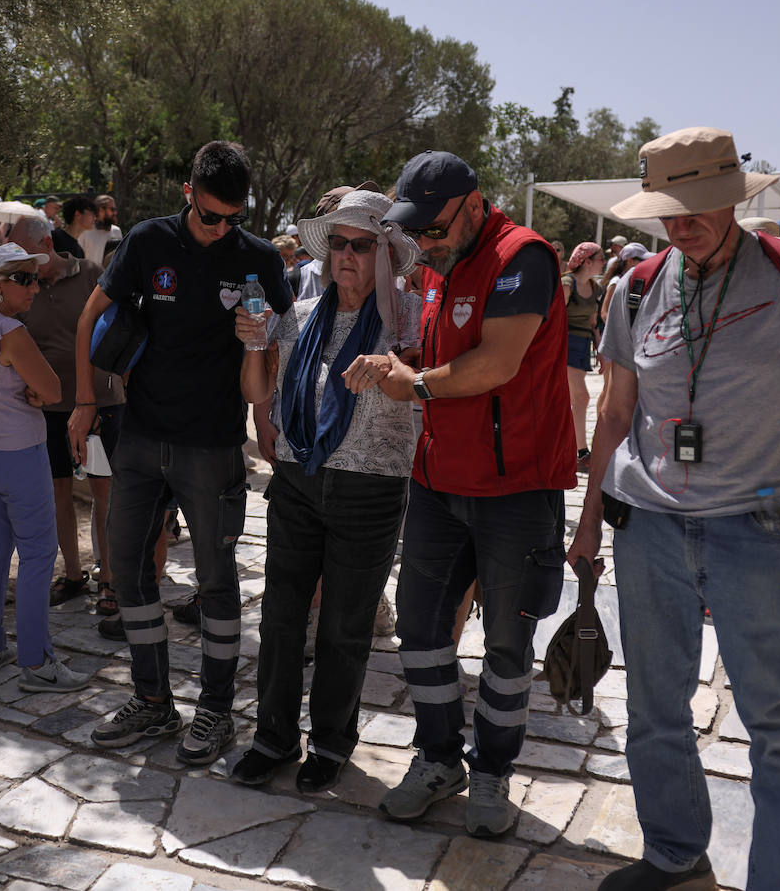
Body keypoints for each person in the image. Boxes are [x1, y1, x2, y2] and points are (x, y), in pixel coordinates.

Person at [569, 126, 780, 891]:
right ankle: (677, 862)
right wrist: (586, 516)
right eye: (670, 211)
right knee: (654, 711)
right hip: (649, 529)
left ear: (734, 199)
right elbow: (614, 412)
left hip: (764, 531)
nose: (684, 224)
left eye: (701, 206)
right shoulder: (636, 286)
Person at [361, 151, 574, 834]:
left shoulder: (525, 257)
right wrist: (405, 362)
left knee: (508, 651)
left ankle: (491, 774)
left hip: (517, 488)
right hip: (438, 482)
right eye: (415, 232)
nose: (423, 242)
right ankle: (438, 757)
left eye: (433, 228)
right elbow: (447, 349)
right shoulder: (436, 264)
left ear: (474, 205)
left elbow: (497, 361)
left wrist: (417, 384)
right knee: (421, 631)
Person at [76, 140, 292, 763]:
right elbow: (94, 313)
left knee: (217, 584)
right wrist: (87, 401)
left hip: (212, 447)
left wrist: (265, 409)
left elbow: (275, 348)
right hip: (140, 438)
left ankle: (217, 713)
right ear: (188, 193)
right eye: (209, 216)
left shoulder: (256, 261)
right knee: (129, 572)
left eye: (234, 218)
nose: (221, 229)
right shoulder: (146, 242)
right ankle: (152, 702)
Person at [229, 190, 422, 792]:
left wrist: (391, 369)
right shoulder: (299, 311)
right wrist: (253, 344)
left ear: (386, 252)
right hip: (298, 476)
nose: (345, 255)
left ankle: (332, 741)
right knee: (283, 616)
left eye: (360, 245)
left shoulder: (409, 316)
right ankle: (273, 736)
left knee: (344, 624)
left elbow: (419, 387)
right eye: (337, 243)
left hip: (371, 485)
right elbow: (259, 393)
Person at [0, 243, 90, 691]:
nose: (35, 287)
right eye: (26, 279)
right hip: (18, 454)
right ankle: (37, 661)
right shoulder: (9, 330)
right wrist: (34, 393)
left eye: (36, 278)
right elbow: (51, 389)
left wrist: (30, 391)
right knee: (37, 553)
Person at [7, 217, 125, 616]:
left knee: (103, 489)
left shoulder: (92, 274)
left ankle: (110, 578)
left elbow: (118, 327)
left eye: (24, 254)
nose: (18, 263)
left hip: (99, 407)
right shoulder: (22, 287)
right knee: (57, 490)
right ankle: (73, 574)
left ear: (46, 242)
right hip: (51, 412)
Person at [562, 241, 605, 471]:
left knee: (575, 399)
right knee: (581, 397)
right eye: (600, 260)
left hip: (581, 345)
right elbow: (553, 320)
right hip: (565, 345)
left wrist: (601, 350)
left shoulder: (594, 288)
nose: (604, 264)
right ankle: (580, 452)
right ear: (587, 261)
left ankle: (575, 450)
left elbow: (592, 322)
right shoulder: (567, 284)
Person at [79, 194, 124, 265]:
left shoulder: (116, 231)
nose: (115, 213)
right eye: (112, 209)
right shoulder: (85, 231)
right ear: (101, 210)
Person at [53, 196, 95, 260]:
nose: (95, 218)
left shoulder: (80, 251)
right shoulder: (53, 239)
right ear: (78, 214)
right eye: (92, 214)